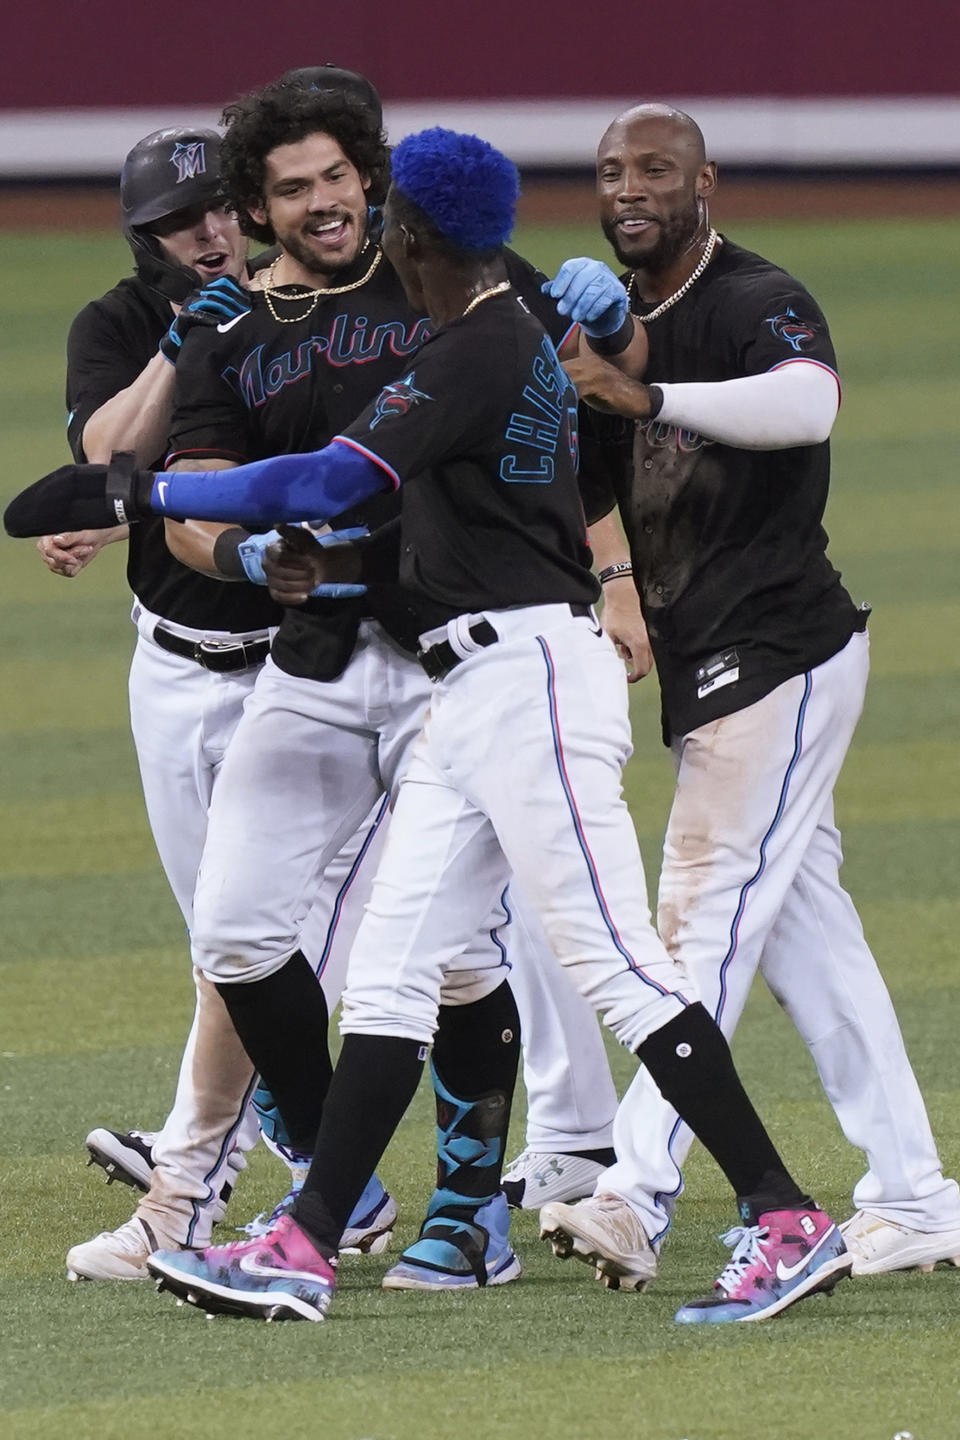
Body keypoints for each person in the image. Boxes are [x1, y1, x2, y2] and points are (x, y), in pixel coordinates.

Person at [11, 127, 856, 1325]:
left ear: (416, 238)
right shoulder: (488, 330)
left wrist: (136, 493)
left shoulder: (475, 348)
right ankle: (305, 1246)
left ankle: (787, 1219)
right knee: (396, 974)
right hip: (472, 690)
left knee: (615, 965)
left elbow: (322, 484)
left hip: (532, 684)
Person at [533, 103, 960, 1288]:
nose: (631, 189)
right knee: (809, 937)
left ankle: (636, 1188)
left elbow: (807, 404)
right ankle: (916, 1195)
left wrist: (649, 395)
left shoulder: (750, 293)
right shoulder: (607, 328)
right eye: (612, 170)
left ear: (705, 180)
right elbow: (591, 486)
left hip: (780, 650)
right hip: (710, 658)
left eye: (657, 169)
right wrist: (615, 581)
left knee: (705, 916)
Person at [44, 86, 402, 1284]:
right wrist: (175, 342)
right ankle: (326, 1178)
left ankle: (195, 1190)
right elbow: (105, 460)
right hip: (171, 666)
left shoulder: (293, 312)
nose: (207, 234)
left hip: (301, 675)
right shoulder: (129, 322)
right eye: (178, 221)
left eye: (216, 211)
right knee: (231, 940)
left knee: (256, 946)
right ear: (146, 239)